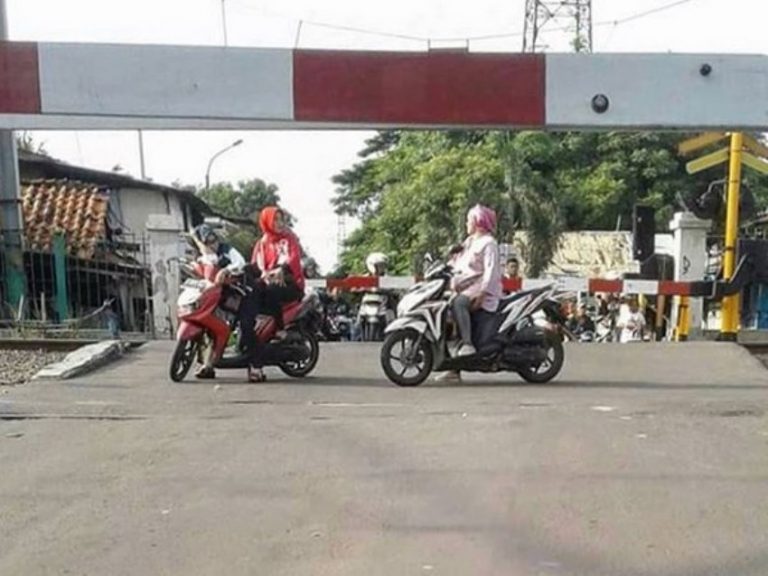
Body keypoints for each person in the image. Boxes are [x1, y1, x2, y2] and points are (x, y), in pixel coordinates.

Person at [239, 206, 306, 382]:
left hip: (289, 285)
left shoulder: (288, 240)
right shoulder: (261, 244)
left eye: (281, 219)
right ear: (266, 222)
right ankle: (255, 364)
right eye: (275, 220)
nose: (279, 223)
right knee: (246, 320)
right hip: (266, 285)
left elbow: (291, 260)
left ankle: (279, 328)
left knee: (271, 288)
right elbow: (256, 267)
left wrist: (281, 270)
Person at [437, 204, 503, 382]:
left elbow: (491, 271)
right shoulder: (469, 242)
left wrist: (482, 293)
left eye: (469, 220)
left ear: (477, 221)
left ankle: (468, 343)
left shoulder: (489, 243)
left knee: (459, 303)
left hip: (480, 289)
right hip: (464, 288)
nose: (466, 223)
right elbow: (455, 264)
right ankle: (453, 368)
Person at [190, 224, 247, 379]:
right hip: (211, 295)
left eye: (213, 239)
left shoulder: (227, 250)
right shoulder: (203, 257)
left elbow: (240, 262)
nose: (212, 244)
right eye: (207, 242)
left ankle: (215, 360)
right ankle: (206, 364)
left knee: (228, 325)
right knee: (207, 329)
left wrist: (226, 270)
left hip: (232, 293)